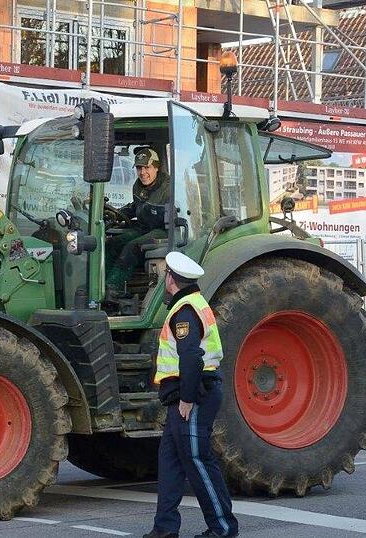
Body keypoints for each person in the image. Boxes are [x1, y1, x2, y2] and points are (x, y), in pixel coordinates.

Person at [145, 252, 239, 538]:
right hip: (183, 396)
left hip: (195, 394)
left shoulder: (185, 311)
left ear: (170, 279)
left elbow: (190, 358)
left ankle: (223, 528)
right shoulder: (190, 305)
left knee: (199, 460)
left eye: (165, 277)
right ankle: (164, 530)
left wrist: (186, 399)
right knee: (170, 463)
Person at [105, 147, 170, 297]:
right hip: (144, 228)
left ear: (156, 168)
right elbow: (136, 207)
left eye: (147, 167)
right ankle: (102, 285)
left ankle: (114, 288)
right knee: (111, 244)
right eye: (139, 168)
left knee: (132, 247)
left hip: (164, 230)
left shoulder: (168, 187)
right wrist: (118, 213)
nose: (142, 173)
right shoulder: (138, 185)